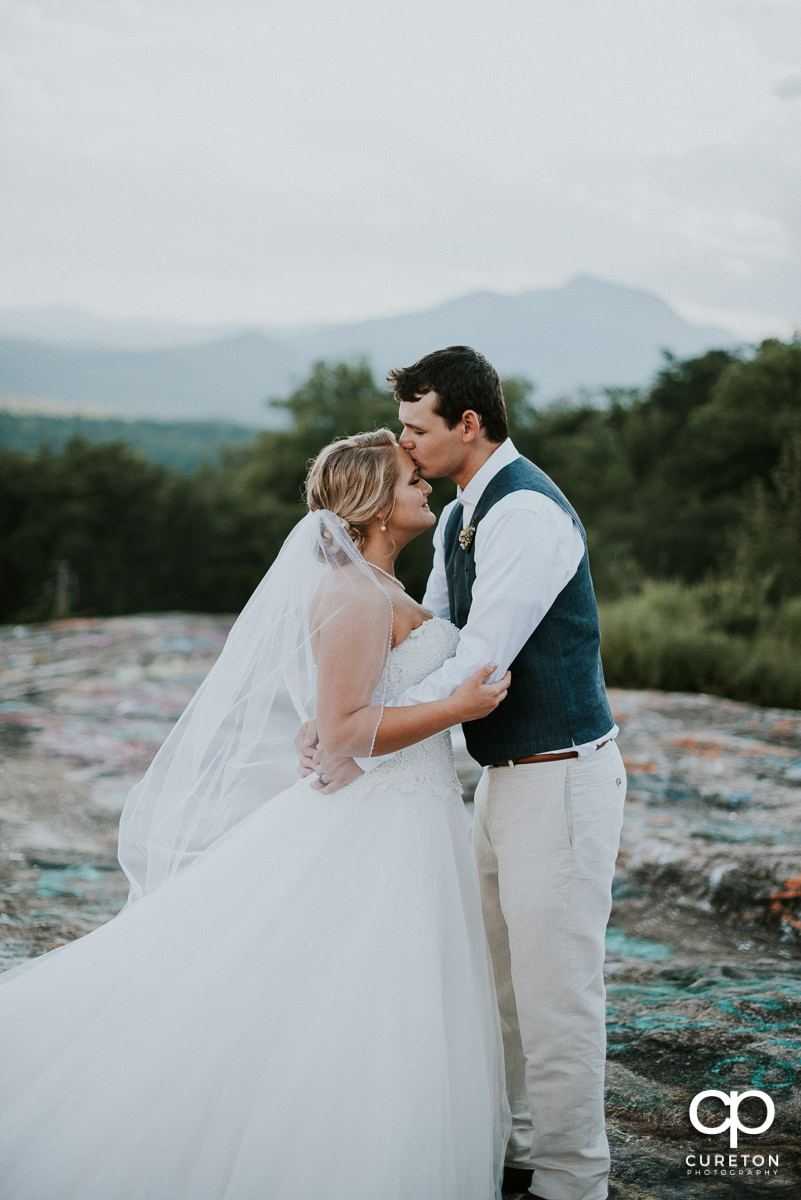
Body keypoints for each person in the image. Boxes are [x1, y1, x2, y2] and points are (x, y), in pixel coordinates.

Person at [0, 429, 512, 1200]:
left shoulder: (385, 590)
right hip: (379, 818)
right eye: (411, 479)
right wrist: (457, 706)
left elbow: (342, 718)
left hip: (411, 811)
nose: (424, 488)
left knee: (376, 995)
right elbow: (343, 731)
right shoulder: (351, 595)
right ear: (375, 503)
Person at [301, 350, 627, 1200]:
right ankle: (517, 1148)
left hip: (557, 774)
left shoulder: (526, 516)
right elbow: (434, 635)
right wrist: (347, 715)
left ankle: (572, 1178)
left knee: (556, 991)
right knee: (499, 984)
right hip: (498, 779)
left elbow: (480, 663)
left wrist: (357, 739)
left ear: (468, 425)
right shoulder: (457, 520)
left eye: (416, 428)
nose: (405, 447)